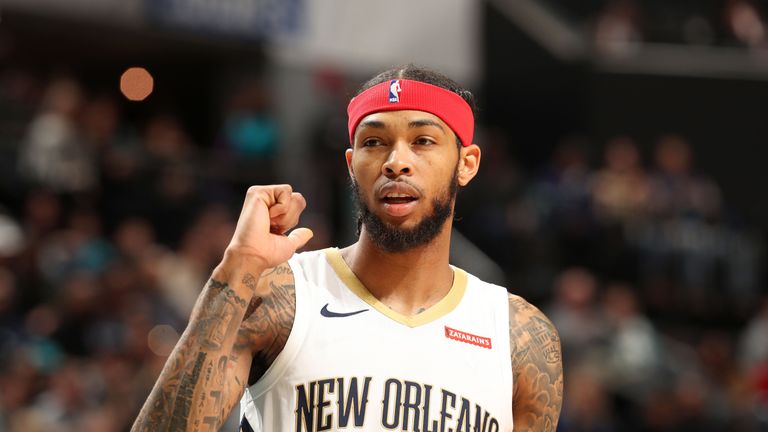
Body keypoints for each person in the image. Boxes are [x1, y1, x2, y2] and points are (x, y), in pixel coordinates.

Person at [131, 66, 563, 432]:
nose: (396, 161)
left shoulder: (520, 336)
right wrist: (237, 266)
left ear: (466, 164)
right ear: (350, 165)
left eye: (423, 141)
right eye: (374, 143)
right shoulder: (280, 294)